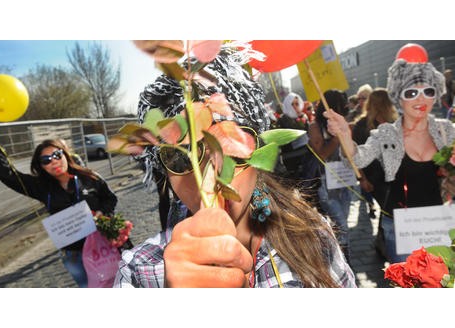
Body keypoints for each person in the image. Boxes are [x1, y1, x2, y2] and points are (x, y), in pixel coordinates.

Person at [114, 49, 355, 288]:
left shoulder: (314, 236)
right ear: (164, 171)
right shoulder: (138, 274)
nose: (210, 179)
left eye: (231, 148)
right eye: (180, 158)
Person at [325, 44, 454, 263]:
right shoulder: (387, 134)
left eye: (428, 91)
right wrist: (346, 135)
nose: (420, 99)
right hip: (401, 229)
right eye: (411, 92)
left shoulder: (447, 130)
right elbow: (358, 159)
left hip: (439, 225)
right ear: (398, 96)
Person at [0, 119, 118, 287]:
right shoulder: (41, 188)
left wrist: (101, 213)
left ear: (65, 155)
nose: (53, 161)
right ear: (41, 166)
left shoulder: (90, 177)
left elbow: (110, 198)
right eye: (46, 160)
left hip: (104, 244)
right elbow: (7, 174)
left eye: (57, 155)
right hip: (74, 253)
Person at [351, 88, 399, 259]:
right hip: (374, 176)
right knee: (387, 207)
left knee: (390, 208)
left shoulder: (395, 121)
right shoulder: (362, 124)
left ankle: (383, 238)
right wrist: (362, 178)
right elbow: (354, 155)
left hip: (394, 174)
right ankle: (383, 239)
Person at [307, 89, 353, 263]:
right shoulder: (315, 127)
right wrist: (335, 139)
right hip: (327, 185)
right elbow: (321, 155)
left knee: (339, 227)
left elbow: (352, 156)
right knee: (342, 228)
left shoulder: (344, 124)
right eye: (342, 103)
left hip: (346, 182)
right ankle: (346, 265)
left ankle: (331, 260)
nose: (346, 106)